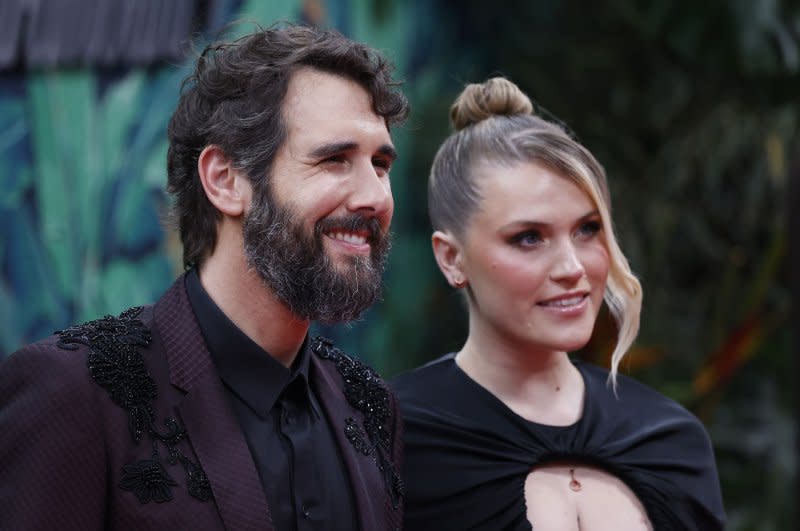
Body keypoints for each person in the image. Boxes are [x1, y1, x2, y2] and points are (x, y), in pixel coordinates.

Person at [0, 24, 408, 530]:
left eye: (381, 164)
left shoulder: (370, 404)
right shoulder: (72, 392)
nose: (376, 197)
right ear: (225, 179)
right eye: (334, 160)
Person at [392, 77, 725, 530]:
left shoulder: (671, 440)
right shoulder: (388, 437)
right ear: (451, 258)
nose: (572, 266)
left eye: (587, 229)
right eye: (528, 237)